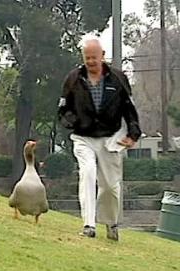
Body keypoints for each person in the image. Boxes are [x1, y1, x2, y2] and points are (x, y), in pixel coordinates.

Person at [57, 37, 141, 241]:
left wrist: (133, 134)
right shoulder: (73, 79)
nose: (91, 62)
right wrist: (72, 122)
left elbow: (129, 109)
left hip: (110, 138)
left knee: (111, 186)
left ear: (102, 56)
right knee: (87, 172)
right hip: (83, 137)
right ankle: (88, 224)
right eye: (87, 58)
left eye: (94, 58)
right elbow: (62, 109)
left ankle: (111, 223)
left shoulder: (118, 79)